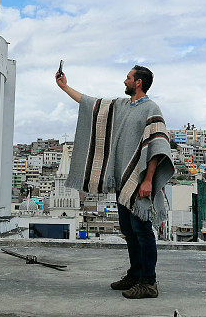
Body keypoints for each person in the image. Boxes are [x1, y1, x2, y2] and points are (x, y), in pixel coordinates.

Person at [56, 64, 173, 299]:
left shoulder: (151, 109)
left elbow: (157, 147)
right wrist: (64, 87)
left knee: (143, 232)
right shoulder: (121, 106)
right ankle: (135, 274)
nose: (125, 80)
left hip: (140, 182)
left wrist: (148, 180)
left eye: (128, 77)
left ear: (138, 82)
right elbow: (91, 104)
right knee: (129, 231)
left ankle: (149, 283)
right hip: (123, 183)